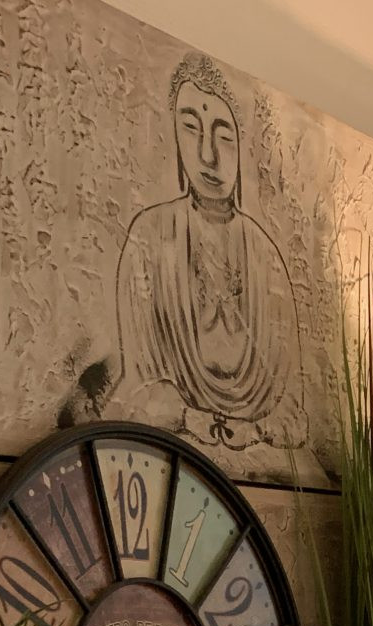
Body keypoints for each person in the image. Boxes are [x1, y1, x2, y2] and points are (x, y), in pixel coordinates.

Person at [113, 54, 307, 452]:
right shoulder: (148, 238)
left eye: (223, 136)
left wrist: (258, 430)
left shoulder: (267, 258)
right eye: (190, 129)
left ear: (242, 147)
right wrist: (187, 418)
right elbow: (137, 392)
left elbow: (292, 412)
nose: (208, 155)